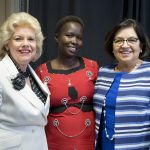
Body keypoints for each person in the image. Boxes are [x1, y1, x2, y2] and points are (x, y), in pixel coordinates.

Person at [36, 15, 99, 150]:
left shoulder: (92, 67)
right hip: (53, 143)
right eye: (69, 35)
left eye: (79, 38)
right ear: (57, 37)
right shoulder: (42, 72)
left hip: (87, 142)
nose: (74, 41)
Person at [93, 18, 150, 150]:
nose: (124, 45)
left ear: (141, 46)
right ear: (112, 47)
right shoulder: (103, 72)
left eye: (131, 40)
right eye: (118, 40)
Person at [0, 12, 50, 150]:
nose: (25, 44)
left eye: (31, 39)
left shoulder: (32, 74)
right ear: (6, 44)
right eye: (18, 39)